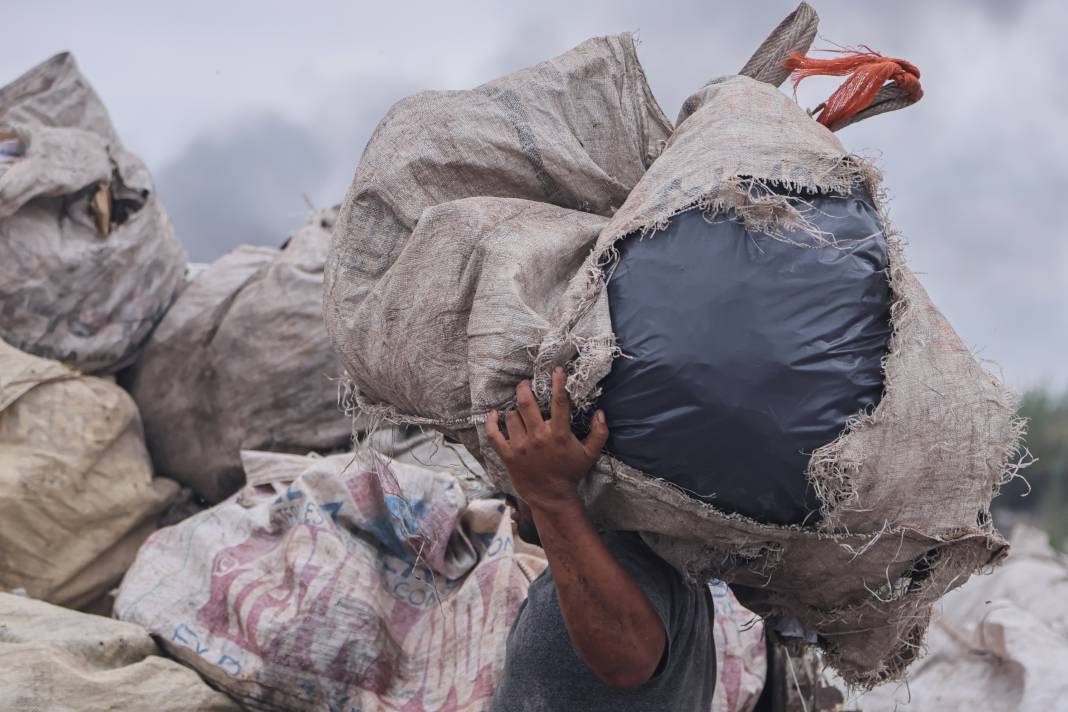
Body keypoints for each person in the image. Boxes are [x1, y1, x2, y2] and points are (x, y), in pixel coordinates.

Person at [489, 367, 716, 711]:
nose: (509, 492)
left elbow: (627, 660)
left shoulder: (631, 552)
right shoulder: (609, 559)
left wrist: (552, 497)